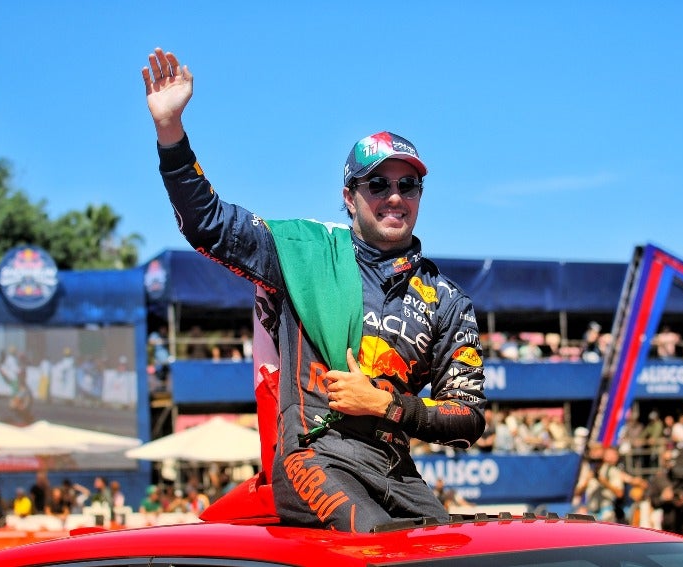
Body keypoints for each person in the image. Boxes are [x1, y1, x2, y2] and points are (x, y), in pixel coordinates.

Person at [142, 47, 486, 533]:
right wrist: (171, 133)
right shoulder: (303, 252)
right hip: (315, 454)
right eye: (377, 183)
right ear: (349, 197)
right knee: (378, 545)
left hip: (396, 468)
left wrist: (385, 405)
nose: (394, 197)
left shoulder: (447, 300)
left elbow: (468, 418)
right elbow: (209, 224)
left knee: (452, 553)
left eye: (408, 185)